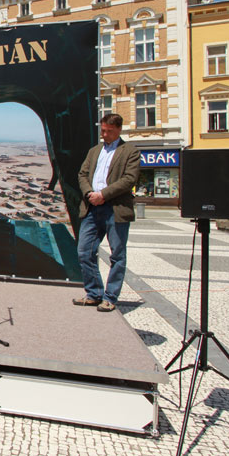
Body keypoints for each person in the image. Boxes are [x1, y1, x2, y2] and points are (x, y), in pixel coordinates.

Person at [73, 113, 140, 312]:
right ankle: (94, 293)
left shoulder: (130, 151)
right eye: (102, 130)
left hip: (115, 209)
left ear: (119, 130)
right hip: (92, 207)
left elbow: (129, 179)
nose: (105, 134)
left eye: (109, 131)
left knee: (117, 255)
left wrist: (104, 194)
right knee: (84, 251)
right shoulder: (94, 151)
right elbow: (82, 174)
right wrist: (89, 193)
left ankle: (110, 297)